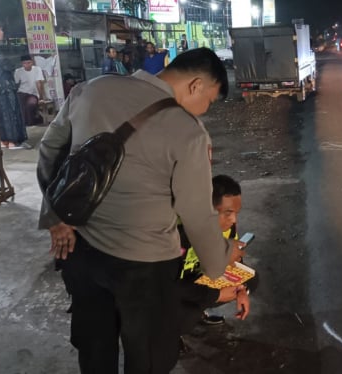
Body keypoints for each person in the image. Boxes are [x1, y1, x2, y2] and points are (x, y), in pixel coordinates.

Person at [37, 48, 232, 374]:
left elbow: (49, 149)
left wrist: (55, 217)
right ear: (196, 85)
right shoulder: (188, 131)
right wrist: (219, 262)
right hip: (146, 267)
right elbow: (197, 213)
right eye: (210, 100)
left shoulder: (92, 88)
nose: (205, 110)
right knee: (149, 358)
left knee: (95, 349)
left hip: (81, 251)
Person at [177, 175, 255, 352]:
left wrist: (242, 289)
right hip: (171, 288)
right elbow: (165, 287)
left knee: (251, 279)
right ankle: (168, 333)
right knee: (187, 315)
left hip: (199, 279)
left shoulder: (228, 227)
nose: (234, 220)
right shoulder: (179, 235)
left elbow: (234, 262)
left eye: (236, 213)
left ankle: (199, 312)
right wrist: (215, 295)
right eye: (228, 213)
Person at [0, 21, 32, 150]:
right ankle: (11, 142)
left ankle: (8, 141)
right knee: (7, 113)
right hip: (1, 87)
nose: (2, 32)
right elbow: (4, 65)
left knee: (8, 113)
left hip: (6, 86)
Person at [14, 54, 45, 127]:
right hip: (21, 92)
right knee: (20, 106)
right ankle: (23, 123)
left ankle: (30, 123)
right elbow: (16, 84)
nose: (27, 65)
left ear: (32, 62)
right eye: (24, 63)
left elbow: (39, 83)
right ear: (22, 64)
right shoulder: (18, 71)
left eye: (29, 63)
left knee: (31, 104)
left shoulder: (37, 69)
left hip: (33, 94)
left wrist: (41, 97)